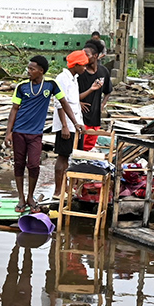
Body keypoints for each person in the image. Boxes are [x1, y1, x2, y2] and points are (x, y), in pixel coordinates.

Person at [3, 55, 76, 212]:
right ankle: (21, 198)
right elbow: (14, 110)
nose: (28, 71)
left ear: (41, 71)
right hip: (19, 131)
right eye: (28, 68)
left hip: (36, 133)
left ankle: (31, 196)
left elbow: (64, 103)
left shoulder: (51, 85)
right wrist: (8, 132)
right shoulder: (22, 87)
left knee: (34, 165)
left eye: (32, 69)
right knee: (19, 164)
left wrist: (74, 123)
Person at [52, 50, 91, 206]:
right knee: (62, 156)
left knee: (71, 157)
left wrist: (78, 123)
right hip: (65, 125)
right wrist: (65, 126)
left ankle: (67, 188)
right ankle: (57, 191)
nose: (85, 69)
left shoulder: (74, 79)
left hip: (74, 124)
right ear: (76, 65)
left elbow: (73, 104)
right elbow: (59, 103)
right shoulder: (62, 79)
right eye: (83, 66)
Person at [76, 38, 112, 150]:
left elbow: (108, 91)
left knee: (89, 148)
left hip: (95, 118)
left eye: (87, 55)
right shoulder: (80, 73)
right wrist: (78, 102)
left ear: (96, 56)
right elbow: (70, 94)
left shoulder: (103, 71)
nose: (84, 57)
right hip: (81, 118)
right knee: (78, 148)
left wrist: (102, 105)